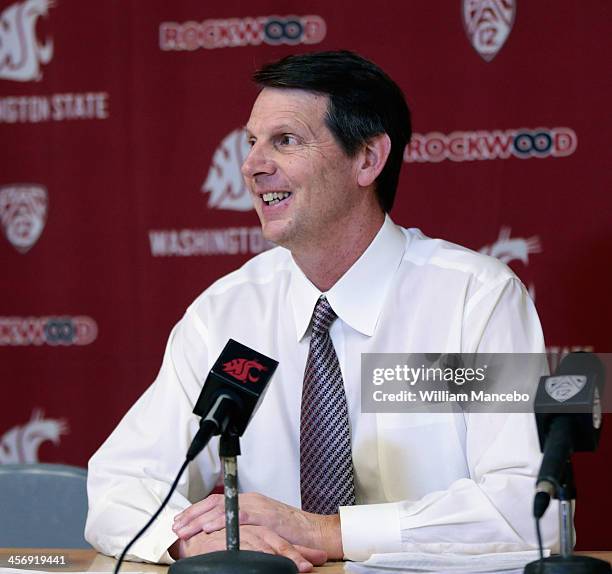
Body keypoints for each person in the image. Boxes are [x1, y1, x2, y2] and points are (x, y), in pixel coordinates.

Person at [85, 51, 558, 572]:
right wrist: (193, 542)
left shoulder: (475, 301)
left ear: (368, 159)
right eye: (252, 142)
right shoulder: (225, 314)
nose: (251, 165)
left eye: (284, 141)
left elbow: (534, 512)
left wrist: (327, 532)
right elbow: (122, 483)